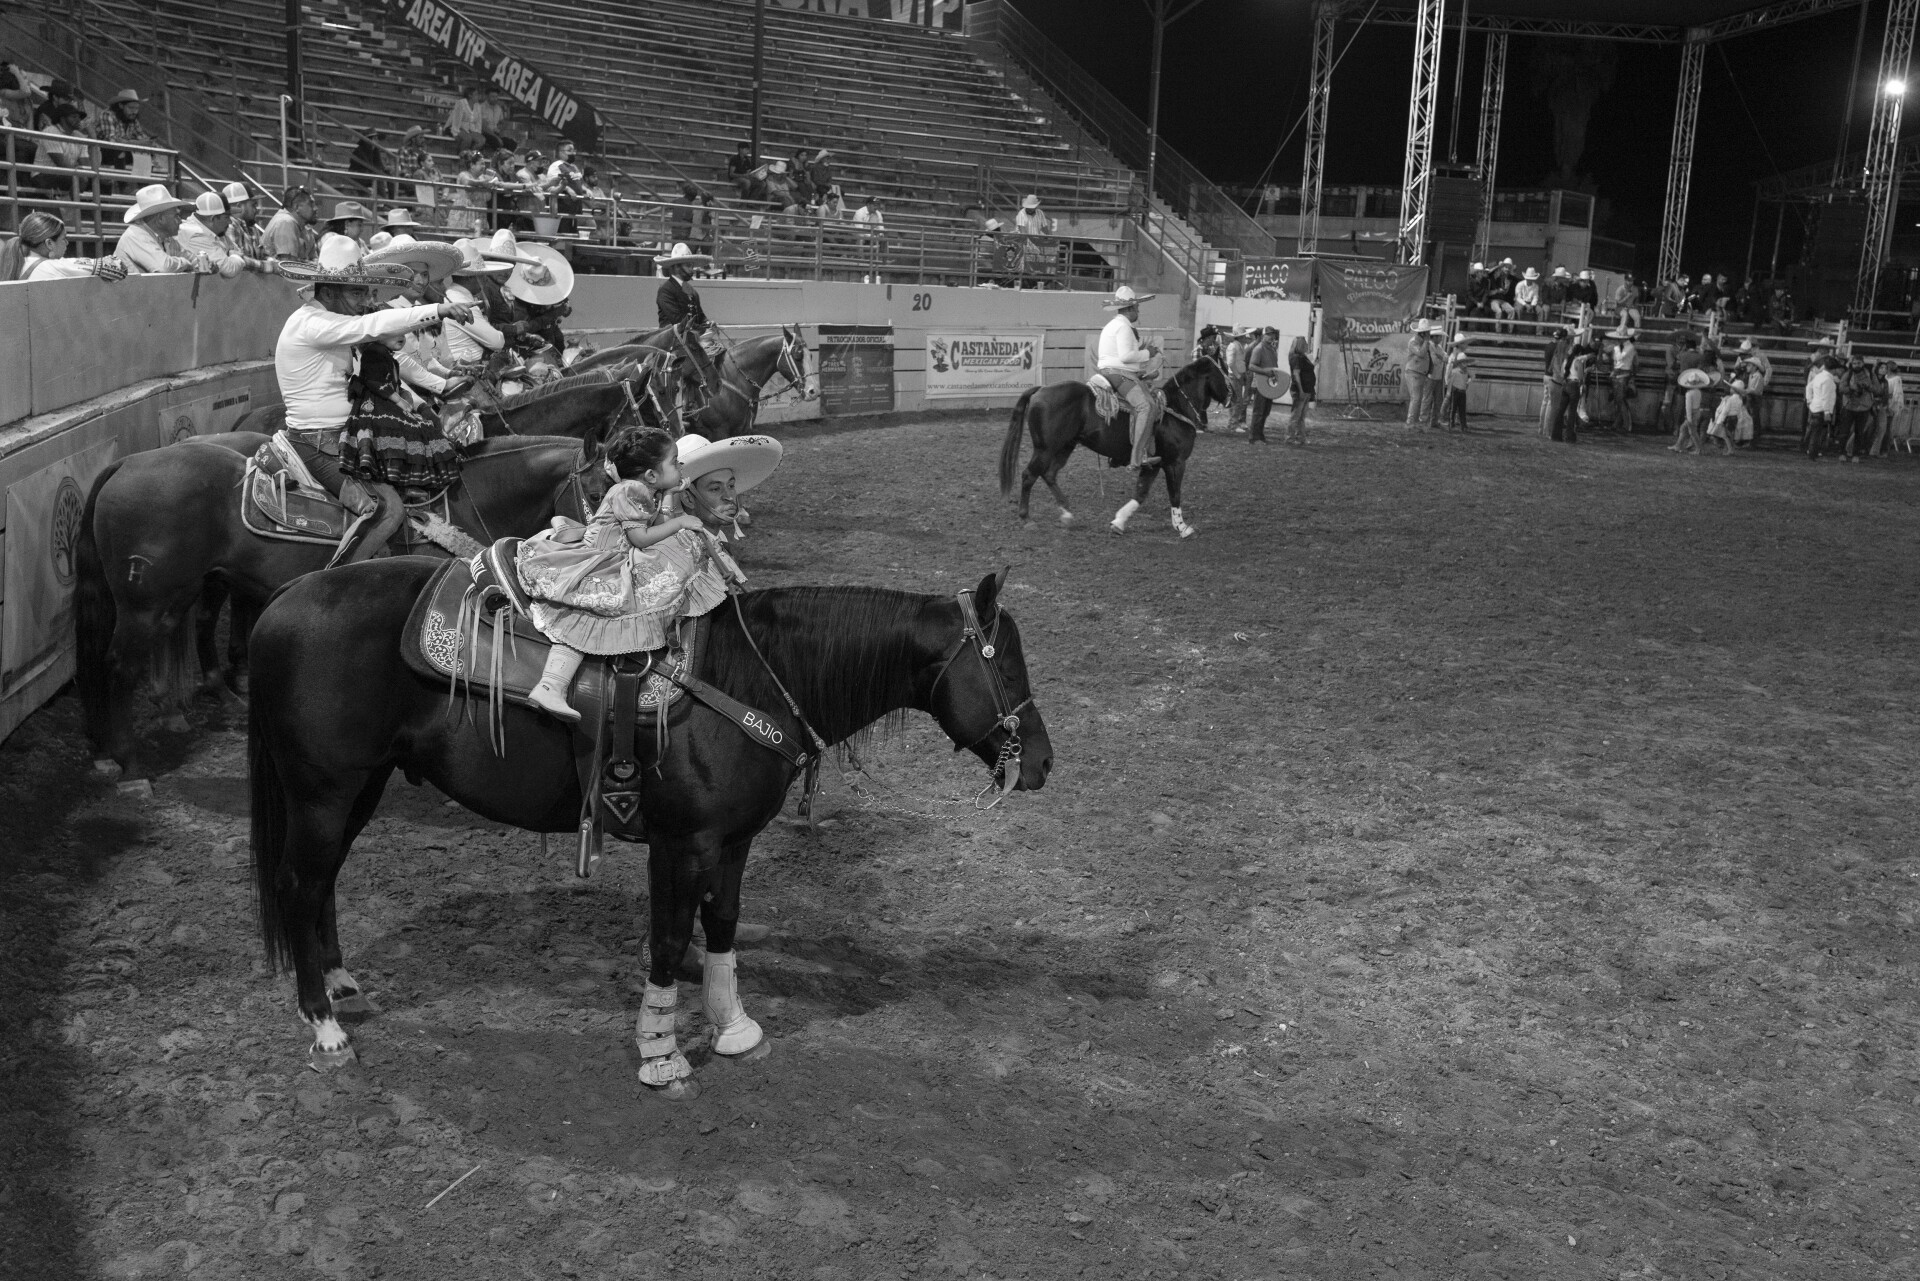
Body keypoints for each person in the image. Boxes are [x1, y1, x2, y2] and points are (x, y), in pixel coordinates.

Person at [517, 426, 753, 723]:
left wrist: (670, 500)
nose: (679, 466)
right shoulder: (631, 490)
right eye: (674, 461)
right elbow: (641, 538)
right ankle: (551, 684)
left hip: (615, 552)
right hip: (603, 558)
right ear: (651, 475)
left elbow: (654, 524)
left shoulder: (644, 490)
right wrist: (681, 523)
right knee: (593, 611)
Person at [273, 235, 473, 563]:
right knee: (386, 512)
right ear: (327, 291)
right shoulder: (313, 323)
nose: (364, 300)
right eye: (356, 292)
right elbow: (374, 324)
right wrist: (438, 309)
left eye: (364, 291)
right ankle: (338, 582)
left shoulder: (330, 322)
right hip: (319, 442)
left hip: (345, 433)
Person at [1096, 285, 1162, 467]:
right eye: (1137, 308)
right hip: (1118, 374)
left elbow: (1123, 356)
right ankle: (1137, 457)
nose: (1138, 311)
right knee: (1146, 406)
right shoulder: (1123, 327)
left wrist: (1140, 359)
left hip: (1114, 372)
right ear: (1130, 308)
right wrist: (1148, 352)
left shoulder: (1114, 325)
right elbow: (1125, 357)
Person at [440, 238, 512, 368]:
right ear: (469, 277)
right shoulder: (460, 301)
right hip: (468, 368)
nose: (485, 279)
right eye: (481, 275)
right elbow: (497, 341)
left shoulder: (457, 295)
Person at [0, 211, 129, 282]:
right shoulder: (56, 266)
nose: (67, 243)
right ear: (49, 243)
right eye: (64, 239)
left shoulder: (14, 265)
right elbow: (119, 268)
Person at [113, 184, 213, 275]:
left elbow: (190, 258)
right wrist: (185, 263)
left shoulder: (166, 239)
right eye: (176, 216)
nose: (180, 221)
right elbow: (163, 267)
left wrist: (206, 264)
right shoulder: (136, 235)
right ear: (161, 219)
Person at [175, 191, 263, 277]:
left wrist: (233, 256)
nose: (229, 222)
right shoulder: (194, 234)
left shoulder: (216, 230)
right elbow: (229, 269)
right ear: (212, 219)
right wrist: (234, 255)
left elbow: (238, 251)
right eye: (226, 217)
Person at [1837, 353, 1878, 462]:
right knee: (1844, 432)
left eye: (1858, 363)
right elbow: (1841, 388)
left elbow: (1878, 390)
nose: (1856, 365)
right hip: (1849, 406)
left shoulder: (1870, 375)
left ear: (1863, 363)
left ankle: (1856, 454)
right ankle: (1842, 452)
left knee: (1859, 433)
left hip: (1864, 407)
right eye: (1854, 363)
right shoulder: (1848, 374)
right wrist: (1852, 389)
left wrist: (1868, 386)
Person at [1244, 326, 1281, 444]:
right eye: (1269, 334)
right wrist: (1265, 372)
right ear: (1263, 335)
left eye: (1273, 334)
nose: (1272, 336)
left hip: (1268, 384)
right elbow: (1251, 366)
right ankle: (1254, 436)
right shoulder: (1259, 349)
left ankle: (1259, 434)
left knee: (1265, 411)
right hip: (1261, 384)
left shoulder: (1271, 349)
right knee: (1259, 411)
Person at [264, 185, 319, 260]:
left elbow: (315, 261)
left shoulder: (306, 227)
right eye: (311, 204)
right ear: (297, 207)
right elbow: (289, 267)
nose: (316, 208)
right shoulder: (285, 222)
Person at [1803, 354, 1837, 460]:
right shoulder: (1828, 380)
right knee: (1818, 433)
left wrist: (1809, 401)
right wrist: (1827, 412)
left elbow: (1808, 387)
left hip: (1814, 407)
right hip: (1822, 409)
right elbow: (1826, 397)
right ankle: (1813, 454)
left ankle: (1811, 452)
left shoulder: (1819, 376)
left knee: (1813, 432)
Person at [1402, 319, 1435, 427]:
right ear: (1423, 333)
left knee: (1417, 398)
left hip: (1418, 373)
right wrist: (1426, 341)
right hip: (1414, 373)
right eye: (1428, 332)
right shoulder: (1413, 342)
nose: (1429, 334)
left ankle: (1412, 421)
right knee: (1416, 398)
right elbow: (1421, 353)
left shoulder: (1420, 342)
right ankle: (1411, 421)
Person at [1285, 335, 1315, 446]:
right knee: (1296, 416)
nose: (1307, 345)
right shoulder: (1296, 357)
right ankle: (1290, 437)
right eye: (1305, 344)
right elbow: (1296, 374)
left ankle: (1300, 437)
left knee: (1301, 416)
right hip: (1300, 390)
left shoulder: (1301, 357)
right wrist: (1301, 390)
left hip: (1306, 389)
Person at [1607, 326, 1637, 431]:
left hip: (1623, 374)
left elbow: (1619, 358)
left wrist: (1614, 349)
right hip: (1619, 374)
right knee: (1618, 400)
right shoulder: (1623, 346)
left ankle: (1626, 424)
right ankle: (1618, 423)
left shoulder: (1629, 347)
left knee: (1620, 400)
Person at [1442, 332, 1472, 431]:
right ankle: (1453, 421)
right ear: (1460, 344)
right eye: (1464, 343)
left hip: (1453, 382)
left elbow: (1450, 369)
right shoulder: (1460, 355)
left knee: (1452, 403)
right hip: (1457, 383)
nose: (1466, 345)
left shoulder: (1453, 355)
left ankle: (1450, 421)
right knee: (1456, 405)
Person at [1223, 327, 1251, 430]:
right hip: (1235, 376)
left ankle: (1234, 422)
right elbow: (1230, 363)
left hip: (1238, 375)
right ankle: (1233, 424)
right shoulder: (1234, 346)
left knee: (1237, 400)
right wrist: (1238, 374)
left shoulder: (1237, 346)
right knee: (1237, 400)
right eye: (1243, 336)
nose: (1245, 337)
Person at [448, 85, 488, 153]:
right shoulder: (461, 104)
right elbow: (456, 123)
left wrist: (477, 133)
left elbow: (478, 123)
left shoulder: (478, 106)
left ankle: (470, 155)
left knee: (482, 140)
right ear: (470, 95)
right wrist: (459, 133)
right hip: (458, 128)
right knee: (467, 139)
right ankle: (461, 156)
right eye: (476, 94)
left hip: (471, 130)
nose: (478, 96)